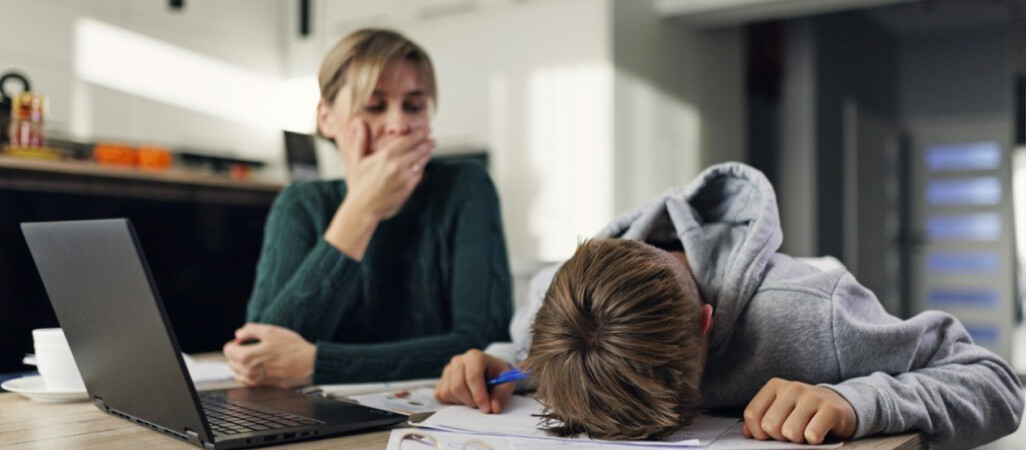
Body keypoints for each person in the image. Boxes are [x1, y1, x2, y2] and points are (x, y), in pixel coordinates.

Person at [434, 162, 1024, 448]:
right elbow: (524, 354)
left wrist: (853, 400)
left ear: (706, 323)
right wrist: (499, 361)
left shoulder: (811, 312)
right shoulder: (548, 297)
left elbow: (997, 383)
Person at [223, 29, 512, 388]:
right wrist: (361, 211)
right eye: (374, 106)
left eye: (414, 105)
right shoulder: (301, 203)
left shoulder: (466, 188)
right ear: (326, 118)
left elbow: (483, 344)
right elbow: (261, 353)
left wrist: (321, 363)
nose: (399, 124)